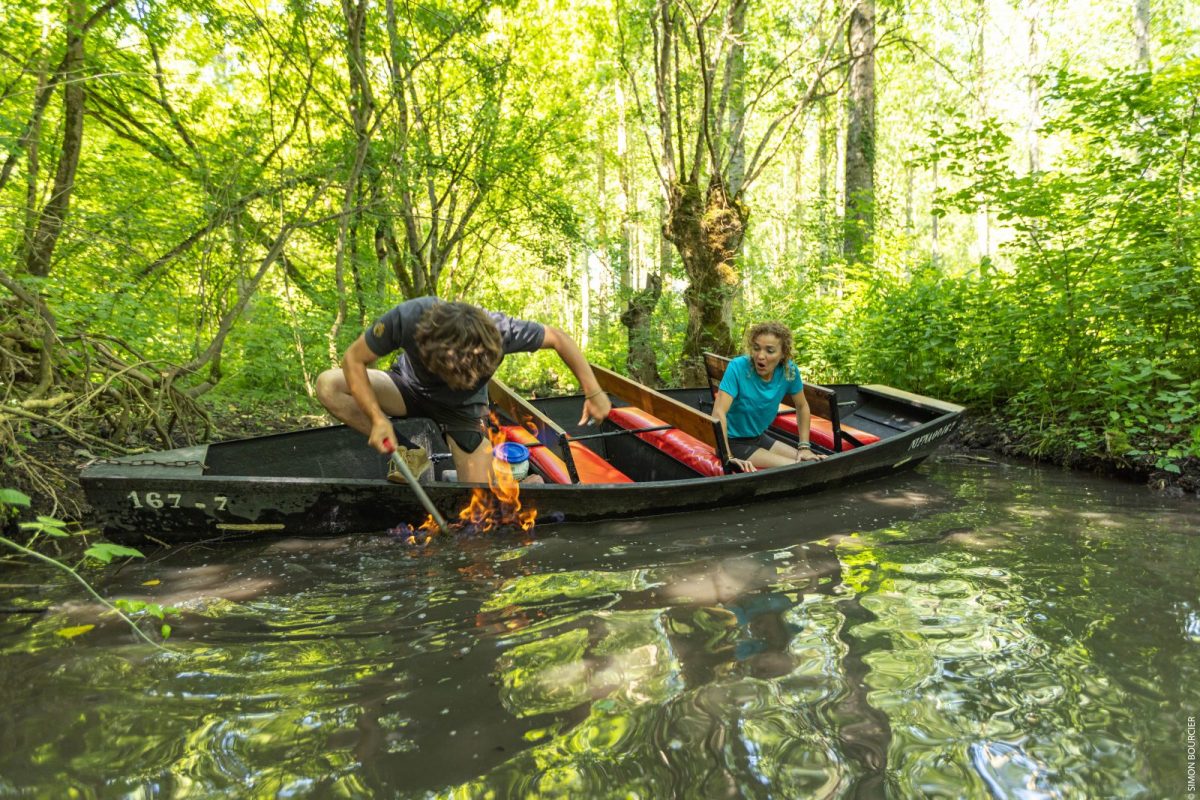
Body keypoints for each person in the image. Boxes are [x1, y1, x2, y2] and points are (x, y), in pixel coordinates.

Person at [316, 297, 611, 482]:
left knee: (477, 499)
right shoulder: (408, 319)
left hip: (463, 410)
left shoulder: (502, 331)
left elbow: (558, 338)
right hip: (406, 388)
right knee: (329, 385)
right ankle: (410, 452)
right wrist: (378, 420)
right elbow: (353, 359)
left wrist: (594, 392)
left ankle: (516, 481)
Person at [712, 322, 825, 472]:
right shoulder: (737, 367)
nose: (760, 356)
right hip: (731, 442)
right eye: (756, 348)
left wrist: (804, 446)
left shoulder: (789, 371)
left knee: (813, 461)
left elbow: (802, 406)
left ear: (783, 353)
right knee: (799, 468)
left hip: (758, 438)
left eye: (770, 351)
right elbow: (718, 413)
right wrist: (728, 456)